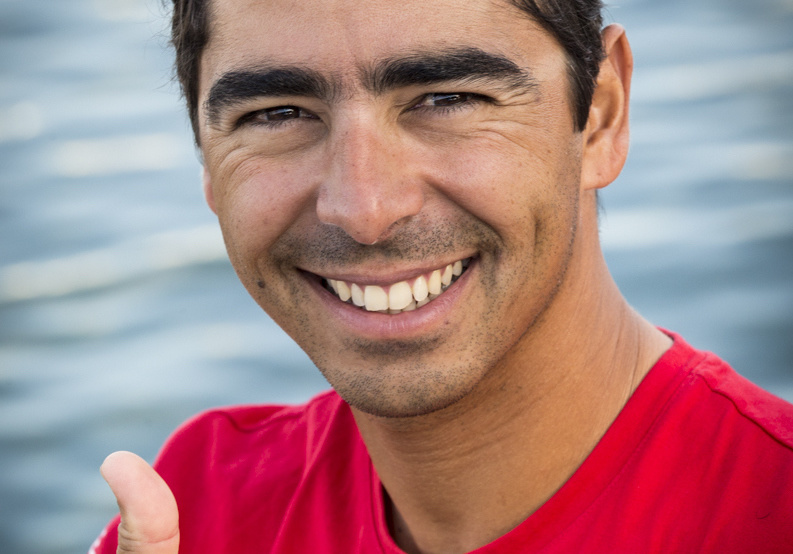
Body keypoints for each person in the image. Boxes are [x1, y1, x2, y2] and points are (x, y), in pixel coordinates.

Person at [91, 0, 793, 552]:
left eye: (446, 98)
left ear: (601, 114)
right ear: (207, 159)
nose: (363, 209)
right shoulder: (193, 510)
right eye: (277, 114)